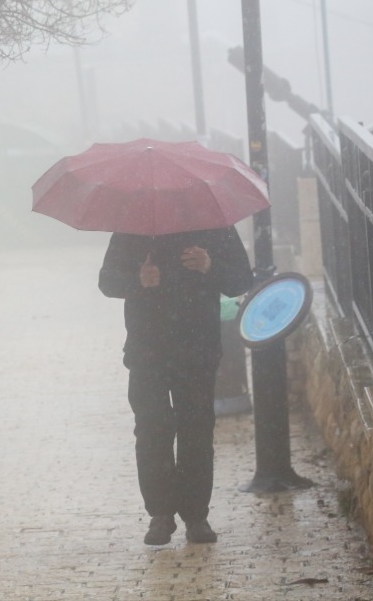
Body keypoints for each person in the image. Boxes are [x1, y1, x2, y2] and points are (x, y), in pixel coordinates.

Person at [98, 226, 253, 545]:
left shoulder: (213, 225)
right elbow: (107, 281)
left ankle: (197, 517)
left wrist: (210, 266)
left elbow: (241, 279)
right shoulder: (133, 227)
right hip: (147, 350)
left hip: (197, 349)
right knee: (152, 428)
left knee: (196, 428)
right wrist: (138, 280)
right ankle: (160, 514)